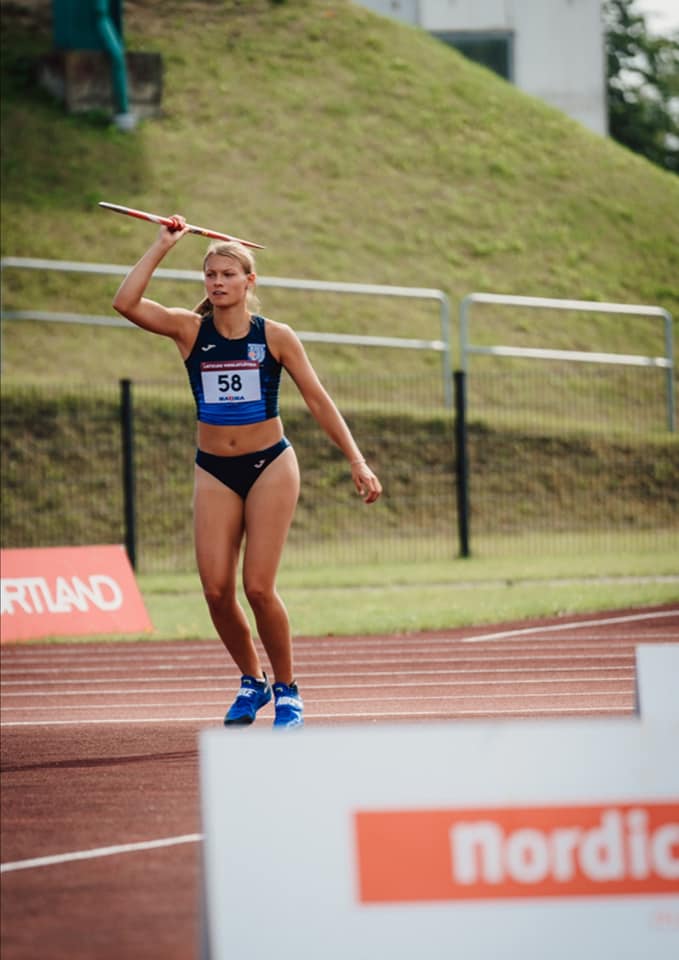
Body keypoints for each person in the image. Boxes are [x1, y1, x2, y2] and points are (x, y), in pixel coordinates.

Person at [112, 215, 382, 729]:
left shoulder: (275, 336)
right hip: (214, 469)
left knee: (258, 587)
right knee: (216, 591)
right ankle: (251, 681)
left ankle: (288, 691)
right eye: (210, 275)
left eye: (227, 275)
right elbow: (125, 303)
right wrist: (163, 244)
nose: (217, 283)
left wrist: (356, 458)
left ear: (249, 281)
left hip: (270, 465)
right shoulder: (190, 331)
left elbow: (318, 400)